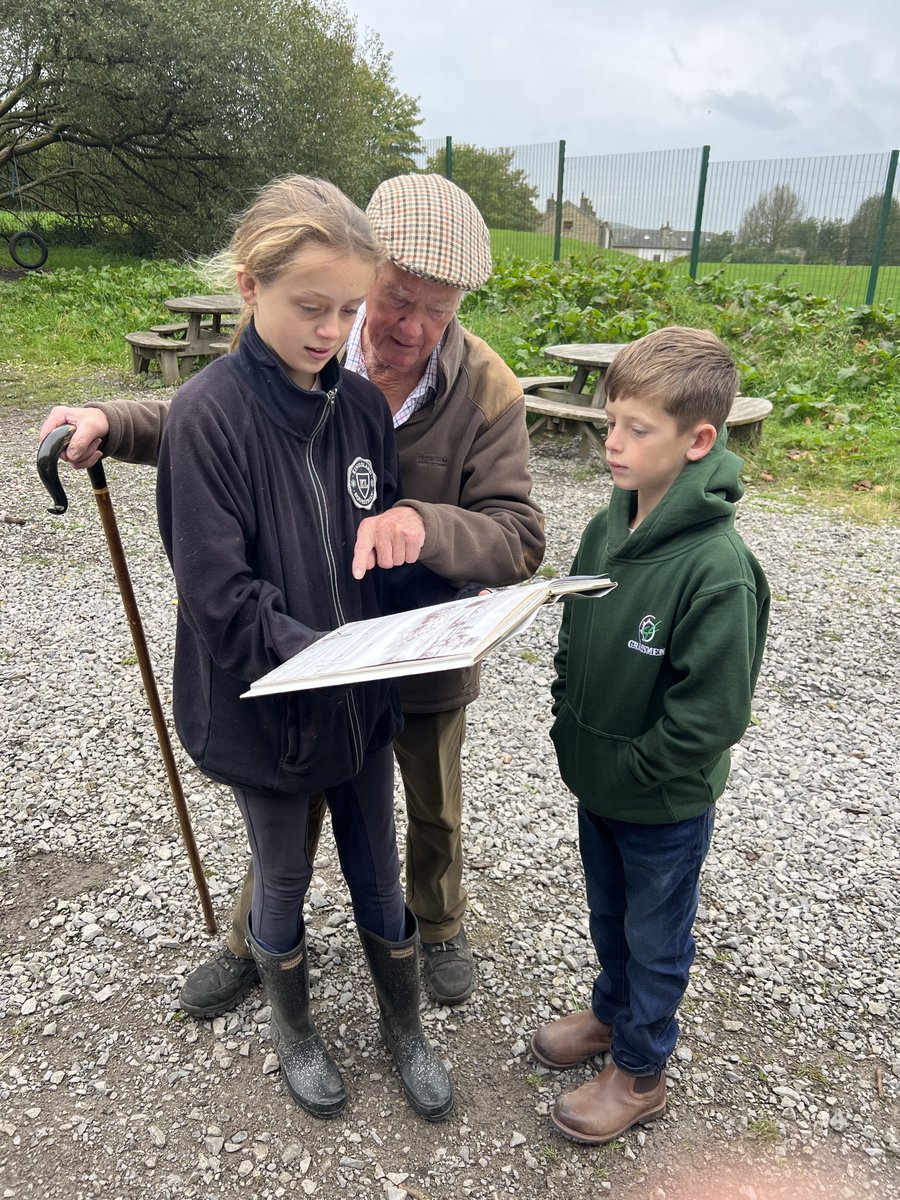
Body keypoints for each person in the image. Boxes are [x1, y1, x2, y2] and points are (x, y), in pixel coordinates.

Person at [39, 173, 545, 1012]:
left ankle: (438, 928)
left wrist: (424, 522)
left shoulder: (488, 389)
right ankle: (253, 940)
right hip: (308, 642)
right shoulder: (319, 326)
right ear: (365, 274)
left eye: (440, 309)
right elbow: (212, 422)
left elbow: (520, 534)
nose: (409, 328)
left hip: (416, 646)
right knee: (288, 803)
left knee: (430, 806)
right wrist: (112, 421)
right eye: (395, 300)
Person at [151, 173, 459, 1121]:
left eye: (348, 310)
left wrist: (433, 610)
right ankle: (296, 1028)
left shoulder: (362, 410)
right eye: (309, 307)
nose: (331, 330)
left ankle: (402, 1026)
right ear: (249, 288)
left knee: (376, 864)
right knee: (281, 872)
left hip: (361, 703)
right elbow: (222, 603)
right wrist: (328, 654)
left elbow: (375, 556)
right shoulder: (206, 421)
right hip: (268, 711)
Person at [529, 327, 769, 1144]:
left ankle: (640, 1071)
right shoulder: (607, 529)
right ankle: (610, 1018)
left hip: (660, 804)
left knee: (655, 936)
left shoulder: (718, 568)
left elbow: (714, 715)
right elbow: (574, 630)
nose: (614, 444)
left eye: (638, 428)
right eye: (610, 422)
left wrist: (634, 765)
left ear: (699, 441)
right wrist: (570, 718)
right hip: (597, 783)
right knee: (609, 918)